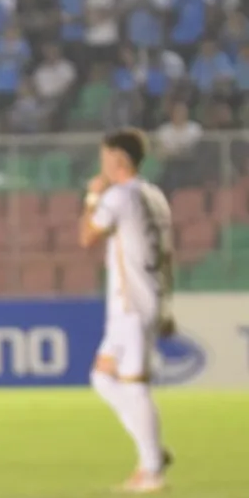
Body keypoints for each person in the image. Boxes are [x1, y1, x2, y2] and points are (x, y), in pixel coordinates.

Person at [79, 128, 176, 493]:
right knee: (102, 378)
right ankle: (152, 449)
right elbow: (168, 254)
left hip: (131, 306)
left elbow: (87, 237)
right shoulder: (154, 195)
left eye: (105, 156)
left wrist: (92, 197)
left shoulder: (118, 196)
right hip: (146, 299)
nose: (102, 163)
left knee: (135, 387)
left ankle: (151, 469)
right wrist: (167, 305)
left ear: (119, 159)